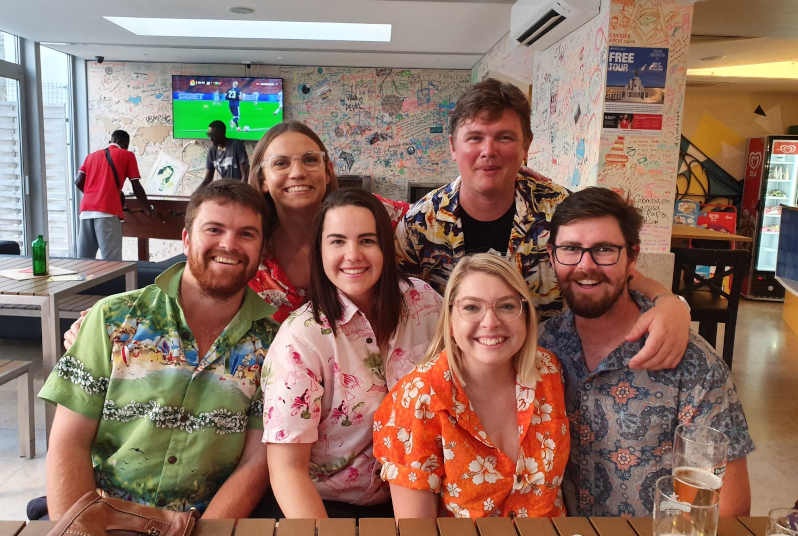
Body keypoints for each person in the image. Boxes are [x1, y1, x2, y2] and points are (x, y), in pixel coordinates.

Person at [395, 77, 690, 370]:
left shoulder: (560, 212)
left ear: (527, 146)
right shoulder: (421, 223)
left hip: (548, 376)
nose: (489, 151)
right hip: (454, 377)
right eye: (475, 137)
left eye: (504, 137)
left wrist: (668, 302)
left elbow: (607, 270)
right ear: (453, 146)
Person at [39, 180, 278, 519]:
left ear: (262, 249)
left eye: (246, 234)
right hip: (104, 513)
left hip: (207, 521)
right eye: (214, 229)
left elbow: (256, 462)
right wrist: (79, 528)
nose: (229, 244)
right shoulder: (113, 319)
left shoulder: (273, 344)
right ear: (186, 239)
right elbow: (68, 442)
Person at [537, 186, 753, 517]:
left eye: (605, 250)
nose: (586, 265)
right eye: (570, 249)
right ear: (552, 257)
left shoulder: (692, 363)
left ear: (632, 257)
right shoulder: (541, 348)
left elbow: (729, 508)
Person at [260, 188, 441, 518]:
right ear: (320, 252)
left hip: (423, 494)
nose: (353, 254)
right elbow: (287, 470)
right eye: (338, 241)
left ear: (385, 247)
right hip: (330, 508)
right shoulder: (301, 339)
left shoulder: (425, 303)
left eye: (367, 241)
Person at [373, 253, 569, 518]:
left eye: (507, 306)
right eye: (471, 307)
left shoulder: (547, 371)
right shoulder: (418, 398)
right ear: (451, 320)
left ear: (525, 315)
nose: (490, 322)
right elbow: (415, 531)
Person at [247, 120, 408, 322]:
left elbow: (431, 218)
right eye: (281, 163)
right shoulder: (244, 241)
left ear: (328, 171)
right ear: (263, 180)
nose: (297, 173)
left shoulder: (371, 214)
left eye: (310, 160)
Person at [75, 129, 152, 260]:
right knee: (112, 262)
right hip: (107, 212)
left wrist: (93, 194)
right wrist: (147, 208)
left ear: (110, 141)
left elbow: (78, 182)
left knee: (84, 261)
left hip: (86, 212)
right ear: (125, 144)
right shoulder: (127, 155)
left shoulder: (91, 156)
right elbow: (136, 185)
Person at [201, 120, 250, 187]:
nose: (211, 139)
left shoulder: (236, 145)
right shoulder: (212, 151)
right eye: (209, 135)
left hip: (239, 189)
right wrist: (197, 193)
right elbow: (208, 179)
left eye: (213, 135)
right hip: (226, 189)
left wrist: (239, 193)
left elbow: (245, 175)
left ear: (221, 134)